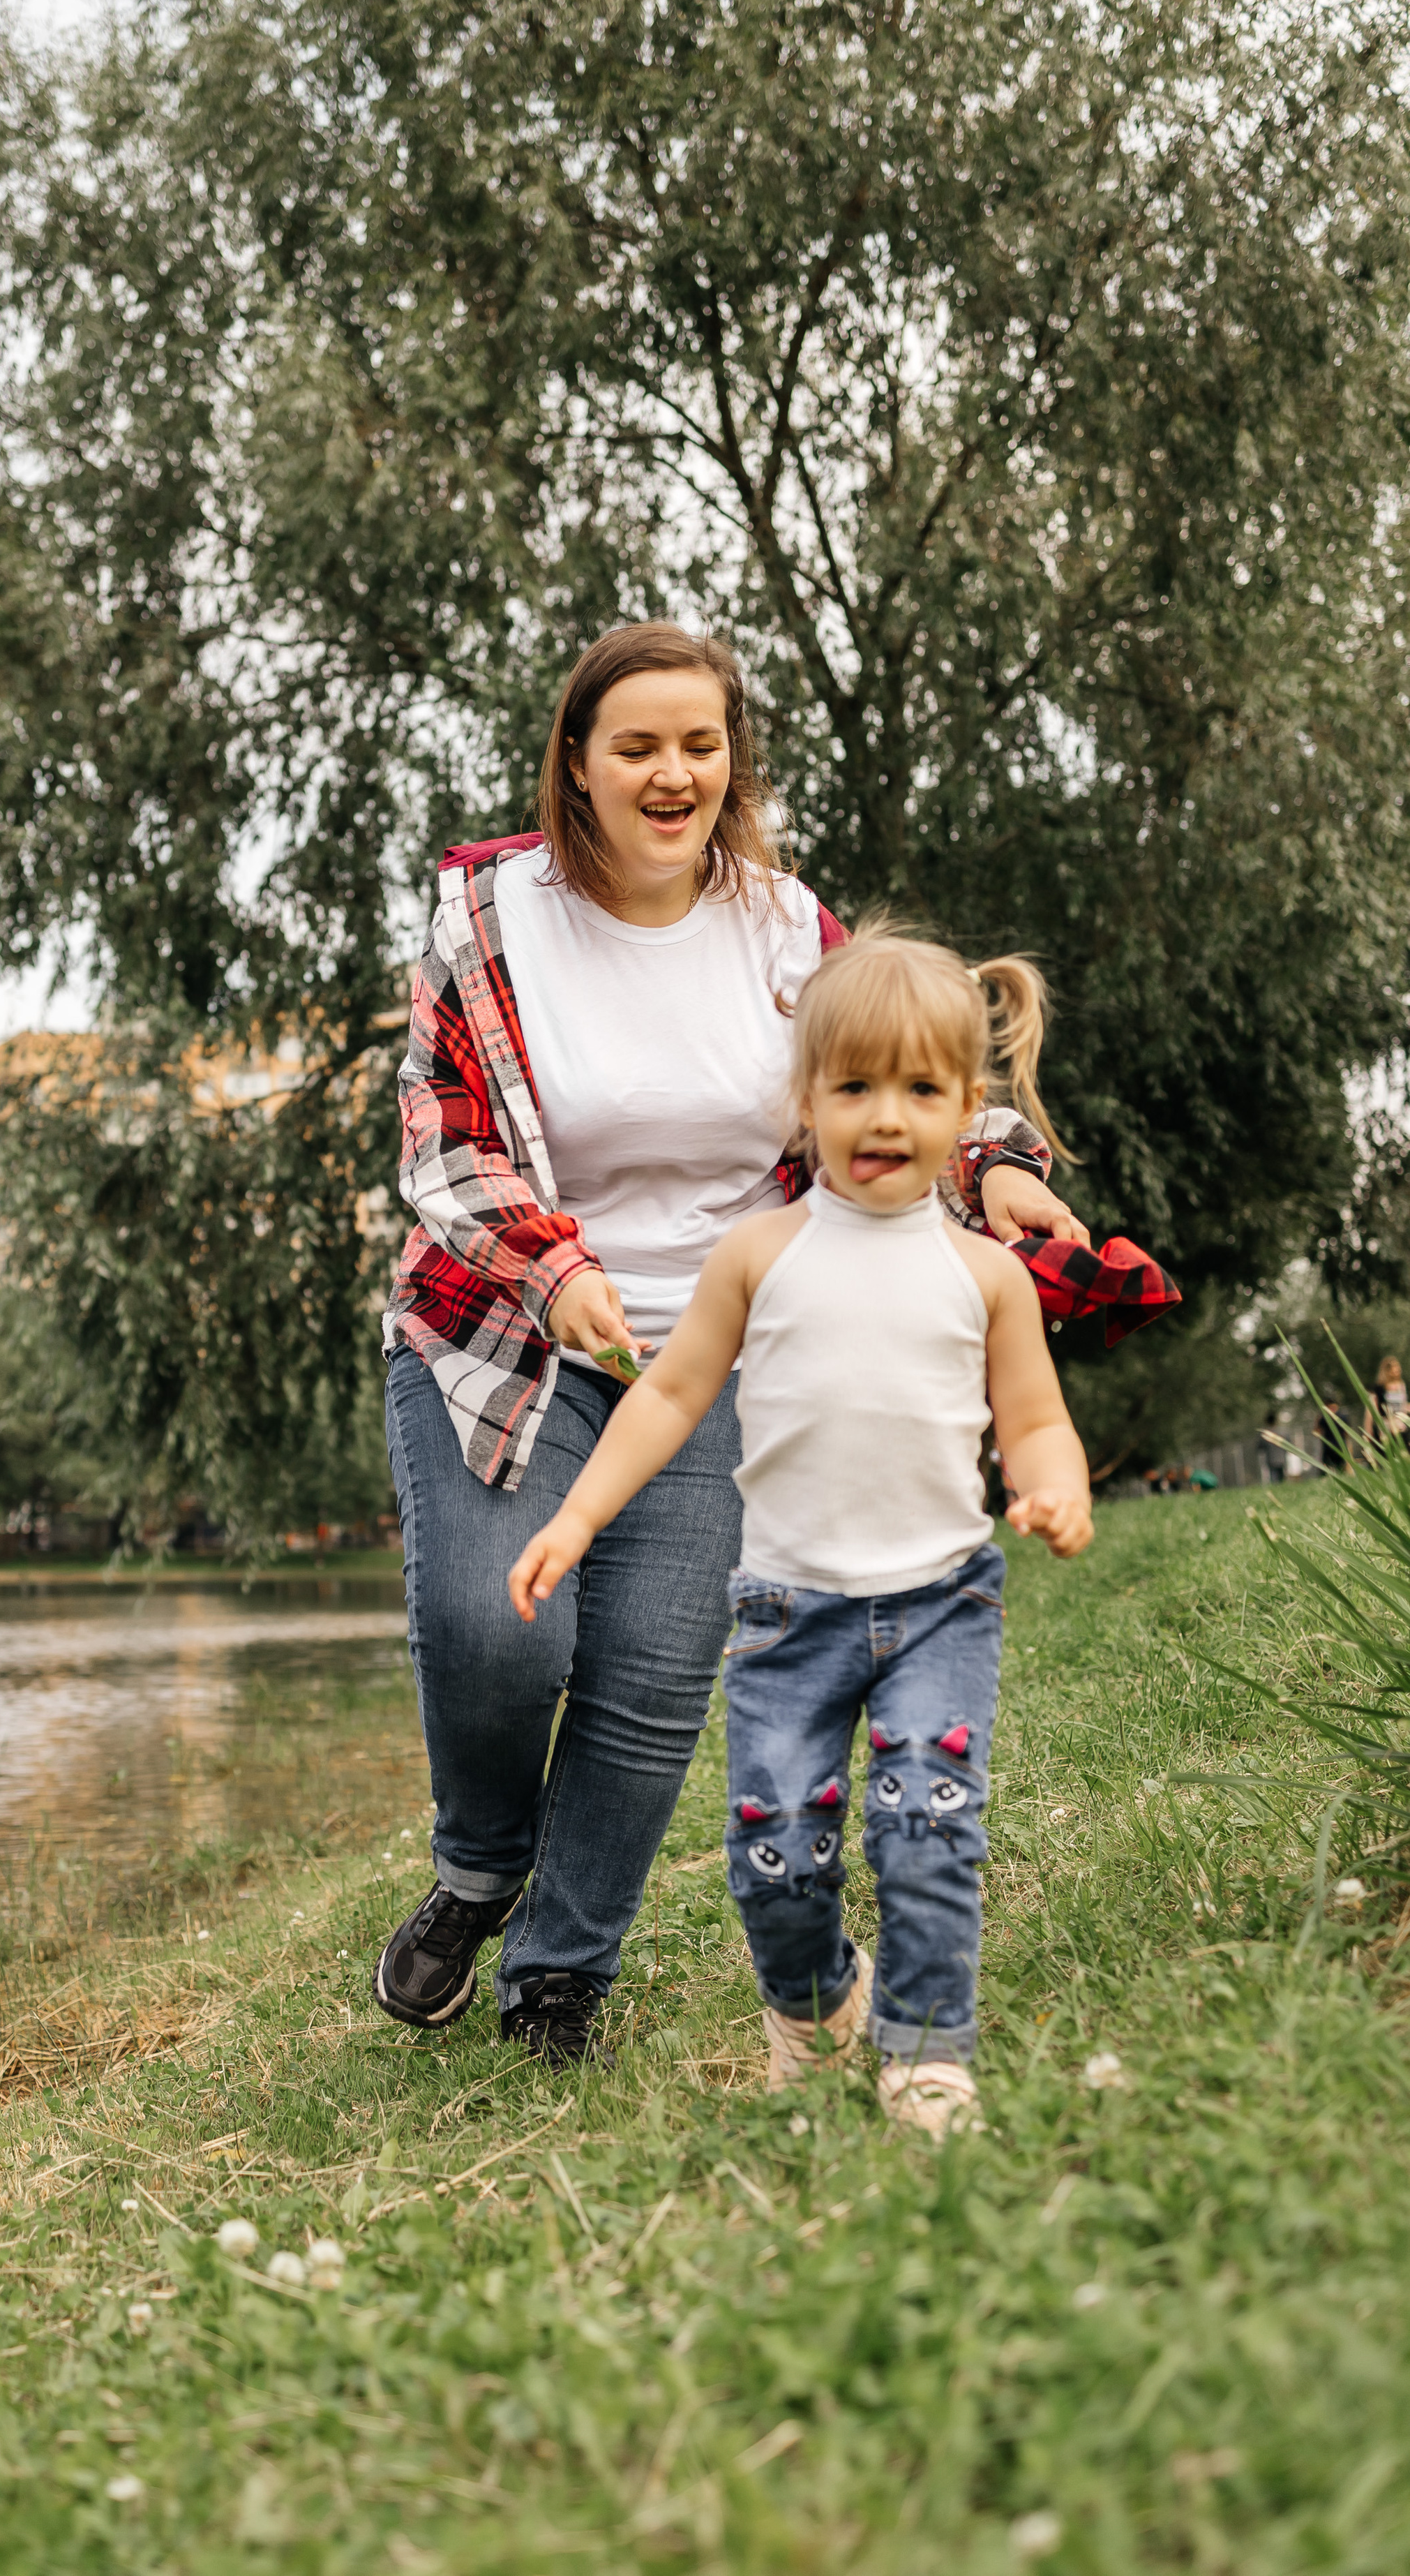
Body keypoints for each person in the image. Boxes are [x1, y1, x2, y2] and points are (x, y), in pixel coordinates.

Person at [372, 621, 1102, 2072]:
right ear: (576, 763)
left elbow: (889, 1066)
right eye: (636, 746)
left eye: (698, 745)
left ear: (731, 760)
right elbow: (444, 1146)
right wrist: (560, 1268)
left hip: (723, 1347)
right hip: (505, 1333)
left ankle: (559, 1974)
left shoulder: (780, 925)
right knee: (496, 1634)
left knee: (648, 1684)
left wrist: (1000, 1166)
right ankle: (480, 1868)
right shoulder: (489, 915)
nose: (672, 774)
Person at [509, 927, 1093, 2139]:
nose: (886, 1117)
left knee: (928, 1826)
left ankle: (927, 2053)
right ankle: (815, 2002)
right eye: (854, 1086)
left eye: (921, 1090)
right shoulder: (758, 1254)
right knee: (776, 1850)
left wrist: (1055, 1489)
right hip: (788, 1612)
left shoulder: (987, 1275)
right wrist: (575, 1514)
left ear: (965, 1110)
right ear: (805, 1100)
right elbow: (668, 1397)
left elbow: (1035, 1419)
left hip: (939, 1603)